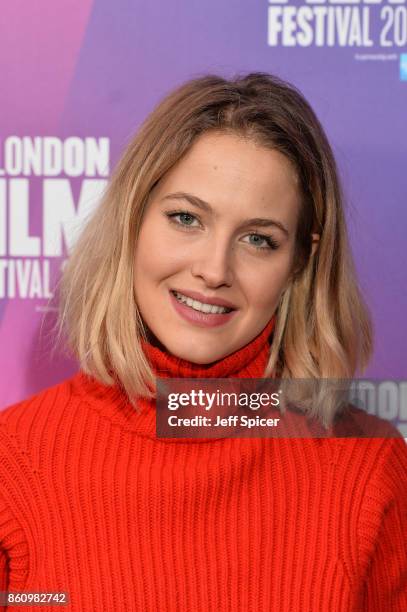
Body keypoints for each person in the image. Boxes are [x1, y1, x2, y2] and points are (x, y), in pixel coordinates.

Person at [0, 72, 406, 611]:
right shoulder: (15, 460)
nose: (214, 270)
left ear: (300, 261)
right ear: (132, 219)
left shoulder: (366, 466)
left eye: (259, 239)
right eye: (186, 218)